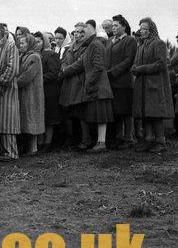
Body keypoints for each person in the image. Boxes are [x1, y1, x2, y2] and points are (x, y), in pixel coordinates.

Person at [62, 21, 113, 153]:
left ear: (92, 31)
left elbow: (98, 66)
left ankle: (101, 143)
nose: (81, 33)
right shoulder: (92, 44)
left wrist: (89, 82)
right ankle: (99, 142)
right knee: (99, 115)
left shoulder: (95, 44)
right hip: (96, 85)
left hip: (99, 86)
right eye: (80, 31)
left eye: (85, 30)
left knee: (101, 116)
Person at [132, 17, 174, 153]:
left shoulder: (159, 44)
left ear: (151, 30)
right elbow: (137, 63)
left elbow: (161, 63)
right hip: (142, 85)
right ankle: (149, 140)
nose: (142, 31)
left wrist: (141, 69)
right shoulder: (141, 45)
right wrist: (134, 67)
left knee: (155, 113)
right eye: (141, 29)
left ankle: (161, 141)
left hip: (154, 84)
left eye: (144, 29)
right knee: (146, 113)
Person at [0, 22, 21, 161]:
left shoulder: (10, 46)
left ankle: (12, 152)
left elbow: (12, 68)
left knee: (8, 120)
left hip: (7, 90)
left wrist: (1, 83)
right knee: (0, 120)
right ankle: (3, 150)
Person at [105, 14, 137, 149]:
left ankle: (129, 138)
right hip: (111, 81)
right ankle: (119, 137)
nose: (113, 28)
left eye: (116, 25)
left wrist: (113, 72)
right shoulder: (110, 41)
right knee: (116, 110)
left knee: (126, 111)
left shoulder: (129, 40)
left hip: (123, 81)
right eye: (112, 26)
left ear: (124, 27)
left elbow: (129, 60)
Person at [58, 25, 88, 147]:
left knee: (81, 113)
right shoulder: (69, 47)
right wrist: (64, 68)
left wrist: (66, 70)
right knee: (68, 111)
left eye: (80, 32)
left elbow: (80, 64)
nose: (77, 34)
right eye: (75, 32)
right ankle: (71, 138)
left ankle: (86, 139)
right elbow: (64, 61)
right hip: (68, 82)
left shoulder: (86, 47)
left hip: (79, 82)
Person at [17, 31, 45, 155]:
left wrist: (14, 82)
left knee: (32, 118)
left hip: (32, 93)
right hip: (26, 93)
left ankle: (33, 148)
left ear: (30, 44)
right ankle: (29, 147)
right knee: (27, 119)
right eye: (20, 43)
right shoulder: (24, 55)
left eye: (23, 43)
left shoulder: (34, 57)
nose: (20, 45)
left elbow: (28, 75)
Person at [35, 32, 61, 152]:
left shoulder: (51, 54)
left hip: (49, 91)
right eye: (35, 41)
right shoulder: (36, 55)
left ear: (44, 42)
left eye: (39, 41)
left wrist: (39, 79)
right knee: (41, 117)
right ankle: (40, 142)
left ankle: (47, 143)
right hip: (39, 91)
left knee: (49, 119)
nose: (37, 44)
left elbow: (53, 72)